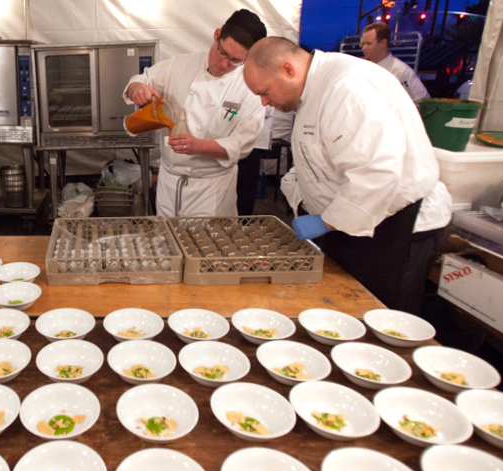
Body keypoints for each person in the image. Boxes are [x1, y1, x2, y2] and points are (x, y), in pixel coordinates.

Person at [243, 37, 452, 314]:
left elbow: (377, 173)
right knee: (347, 311)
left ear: (288, 69)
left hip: (393, 226)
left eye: (265, 91)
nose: (264, 102)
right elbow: (322, 154)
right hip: (354, 228)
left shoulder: (348, 88)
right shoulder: (314, 88)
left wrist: (327, 222)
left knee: (378, 317)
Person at [123, 9, 267, 217]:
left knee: (208, 247)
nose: (225, 64)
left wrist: (201, 146)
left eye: (236, 61)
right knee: (168, 242)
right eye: (223, 53)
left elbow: (243, 143)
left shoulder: (249, 86)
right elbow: (140, 79)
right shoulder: (180, 65)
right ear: (217, 35)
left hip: (212, 189)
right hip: (170, 182)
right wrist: (138, 89)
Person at [361, 22, 430, 102]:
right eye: (363, 44)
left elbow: (423, 103)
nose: (363, 48)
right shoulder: (361, 68)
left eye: (368, 44)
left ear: (383, 43)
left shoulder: (401, 72)